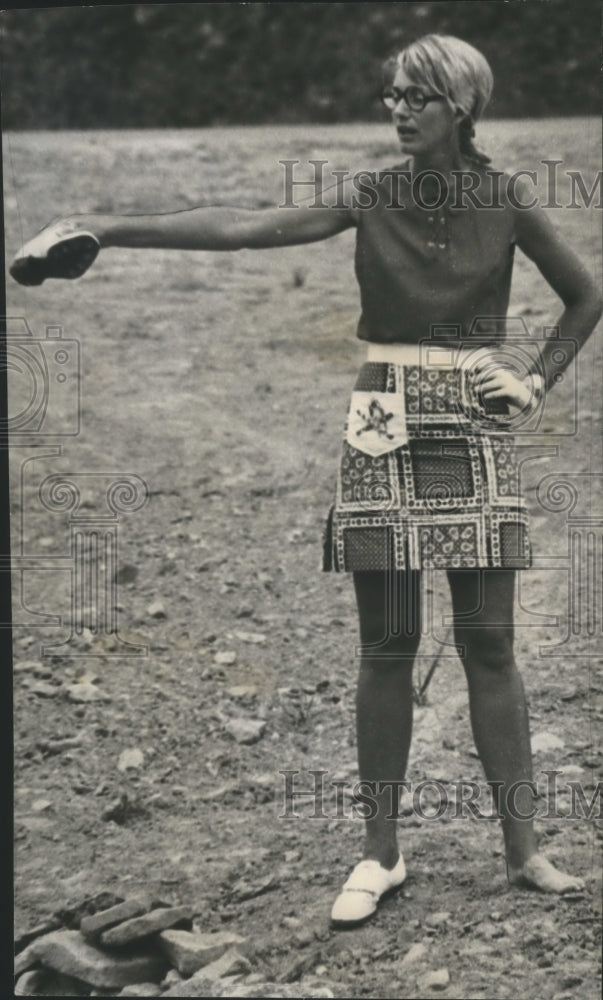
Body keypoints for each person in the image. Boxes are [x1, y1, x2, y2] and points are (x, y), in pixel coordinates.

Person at [11, 33, 602, 926]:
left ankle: (524, 853)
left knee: (489, 647)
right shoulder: (369, 195)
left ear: (460, 107)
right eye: (391, 95)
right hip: (380, 421)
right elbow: (247, 228)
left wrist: (529, 378)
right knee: (386, 646)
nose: (397, 109)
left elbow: (584, 296)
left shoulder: (506, 199)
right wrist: (108, 227)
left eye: (417, 97)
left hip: (475, 426)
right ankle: (380, 856)